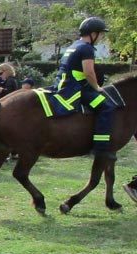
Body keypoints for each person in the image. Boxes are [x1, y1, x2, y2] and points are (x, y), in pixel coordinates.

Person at [51, 16, 117, 159]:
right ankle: (100, 149)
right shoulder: (87, 49)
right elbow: (88, 72)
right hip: (75, 89)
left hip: (62, 84)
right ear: (93, 34)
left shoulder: (74, 46)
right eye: (101, 34)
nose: (102, 37)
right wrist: (97, 87)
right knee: (106, 106)